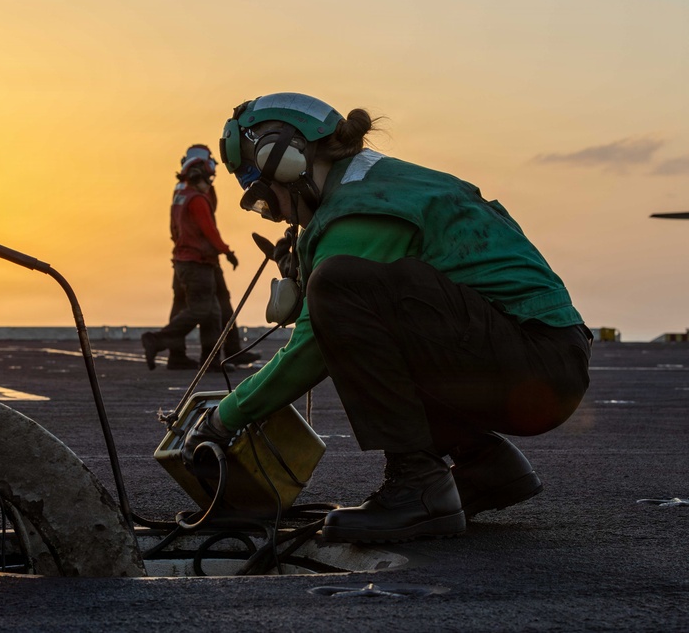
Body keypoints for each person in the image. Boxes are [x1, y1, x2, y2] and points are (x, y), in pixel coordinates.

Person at [182, 92, 592, 543]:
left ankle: (418, 486)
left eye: (265, 198)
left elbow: (315, 342)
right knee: (344, 295)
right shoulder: (377, 184)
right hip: (536, 358)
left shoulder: (363, 207)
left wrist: (225, 419)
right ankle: (484, 465)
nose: (276, 215)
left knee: (338, 285)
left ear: (286, 161)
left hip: (537, 367)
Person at [164, 145, 262, 370]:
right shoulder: (197, 191)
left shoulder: (180, 189)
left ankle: (176, 353)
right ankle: (227, 351)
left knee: (180, 303)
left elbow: (174, 224)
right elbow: (208, 226)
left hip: (183, 256)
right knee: (219, 303)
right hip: (202, 257)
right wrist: (225, 251)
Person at [141, 151, 240, 373]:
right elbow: (209, 231)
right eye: (209, 179)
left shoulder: (181, 197)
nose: (210, 184)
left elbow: (174, 229)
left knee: (213, 313)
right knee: (200, 310)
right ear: (199, 176)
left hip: (185, 261)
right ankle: (156, 340)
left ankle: (211, 361)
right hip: (197, 263)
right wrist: (227, 251)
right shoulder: (197, 199)